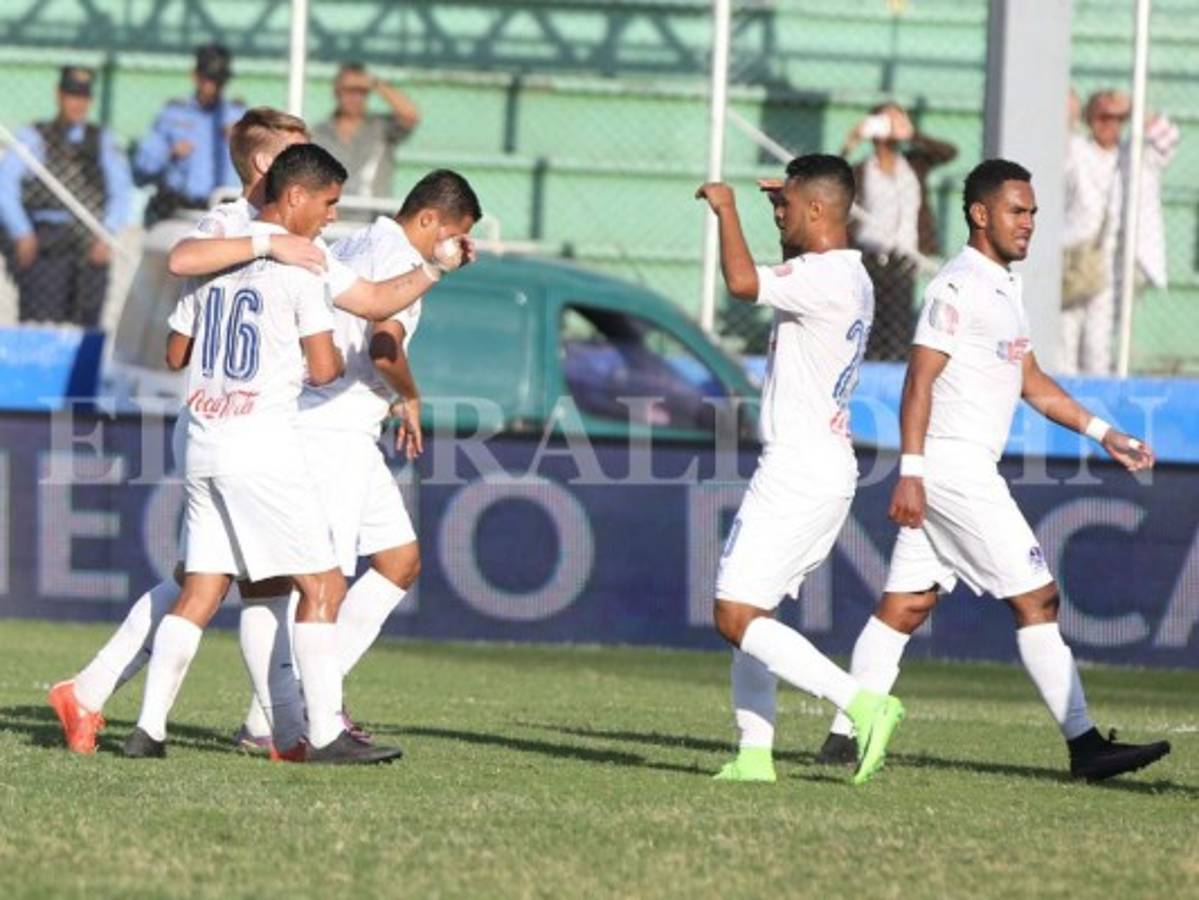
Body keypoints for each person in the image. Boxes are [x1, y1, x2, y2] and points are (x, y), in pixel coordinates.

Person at [46, 108, 468, 756]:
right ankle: (290, 723)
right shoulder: (236, 227)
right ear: (276, 173)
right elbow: (187, 261)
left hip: (244, 428)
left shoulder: (313, 246)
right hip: (271, 429)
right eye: (304, 161)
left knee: (220, 581)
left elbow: (365, 304)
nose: (326, 197)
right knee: (289, 582)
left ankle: (146, 715)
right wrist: (270, 254)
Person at [813, 159, 1171, 783]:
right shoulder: (957, 288)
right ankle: (1086, 746)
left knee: (906, 605)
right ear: (981, 214)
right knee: (1038, 598)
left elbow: (1030, 381)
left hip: (957, 469)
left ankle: (843, 736)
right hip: (954, 471)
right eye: (1016, 210)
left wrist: (1104, 432)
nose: (1028, 222)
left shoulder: (1006, 285)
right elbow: (918, 381)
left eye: (1032, 211)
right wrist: (913, 471)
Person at [121, 143, 402, 765]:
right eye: (329, 203)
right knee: (324, 581)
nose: (332, 217)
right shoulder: (301, 268)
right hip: (261, 445)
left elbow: (176, 353)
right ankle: (324, 734)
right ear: (296, 196)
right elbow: (326, 369)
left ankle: (148, 730)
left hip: (201, 441)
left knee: (201, 590)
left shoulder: (216, 262)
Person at [235, 169, 481, 749]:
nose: (456, 249)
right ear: (429, 221)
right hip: (330, 429)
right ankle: (279, 717)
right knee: (318, 585)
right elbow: (383, 343)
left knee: (399, 561)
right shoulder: (401, 264)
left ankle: (289, 707)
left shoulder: (359, 242)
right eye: (454, 235)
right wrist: (410, 395)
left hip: (348, 425)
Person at [696, 154, 904, 787]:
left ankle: (864, 704)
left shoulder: (823, 278)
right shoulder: (846, 273)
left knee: (734, 614)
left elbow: (739, 282)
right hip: (818, 463)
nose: (778, 211)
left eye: (787, 204)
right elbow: (787, 258)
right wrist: (780, 204)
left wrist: (725, 207)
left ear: (817, 210)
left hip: (800, 466)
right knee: (754, 616)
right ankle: (754, 756)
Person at [0, 66, 131, 326]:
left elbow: (121, 192)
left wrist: (107, 234)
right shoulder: (35, 137)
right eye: (72, 95)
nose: (77, 104)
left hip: (89, 242)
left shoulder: (102, 140)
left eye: (83, 97)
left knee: (87, 326)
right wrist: (21, 232)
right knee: (39, 326)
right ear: (59, 95)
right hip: (44, 242)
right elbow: (5, 186)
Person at [1060, 90, 1179, 375]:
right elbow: (1055, 135)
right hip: (1074, 256)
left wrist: (1136, 106)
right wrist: (1070, 109)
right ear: (1090, 118)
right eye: (1102, 116)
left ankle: (1094, 404)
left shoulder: (1135, 156)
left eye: (1117, 118)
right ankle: (1060, 402)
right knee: (1064, 335)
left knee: (1098, 343)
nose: (1109, 124)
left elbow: (1168, 139)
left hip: (1114, 261)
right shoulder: (1078, 150)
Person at [841, 103, 957, 361]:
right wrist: (852, 141)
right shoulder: (861, 170)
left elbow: (948, 152)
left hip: (905, 258)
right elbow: (829, 180)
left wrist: (912, 134)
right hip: (870, 256)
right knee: (869, 325)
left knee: (899, 327)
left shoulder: (915, 165)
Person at [133, 44, 245, 226]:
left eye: (220, 81)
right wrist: (169, 154)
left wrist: (242, 143)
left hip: (224, 213)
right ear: (195, 76)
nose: (214, 87)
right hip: (179, 211)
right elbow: (141, 169)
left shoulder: (237, 118)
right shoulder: (173, 115)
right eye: (209, 79)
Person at [312, 62, 420, 205]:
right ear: (336, 91)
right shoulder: (320, 132)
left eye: (361, 91)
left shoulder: (381, 127)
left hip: (371, 215)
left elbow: (410, 115)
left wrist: (375, 83)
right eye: (349, 90)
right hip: (333, 217)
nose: (355, 97)